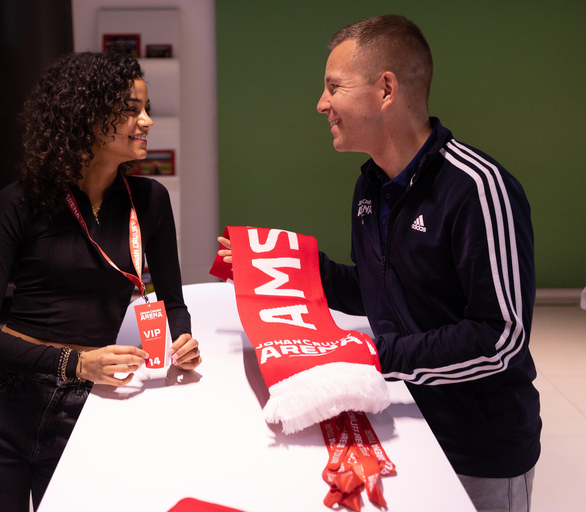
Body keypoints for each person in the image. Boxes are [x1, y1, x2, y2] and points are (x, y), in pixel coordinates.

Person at [219, 14, 540, 512]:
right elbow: (377, 290)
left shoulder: (477, 187)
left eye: (333, 87)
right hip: (400, 420)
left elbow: (501, 337)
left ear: (385, 89)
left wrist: (375, 357)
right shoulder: (370, 184)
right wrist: (278, 264)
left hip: (478, 449)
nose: (321, 104)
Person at [0, 50, 202, 512]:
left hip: (83, 413)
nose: (147, 122)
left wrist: (182, 338)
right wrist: (78, 363)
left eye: (148, 109)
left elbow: (172, 302)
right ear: (88, 116)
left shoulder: (150, 201)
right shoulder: (20, 202)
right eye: (131, 109)